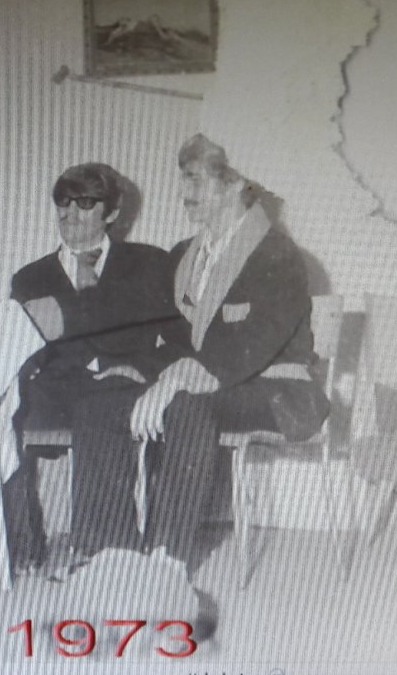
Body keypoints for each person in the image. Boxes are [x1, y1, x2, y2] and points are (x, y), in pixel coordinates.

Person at [62, 134, 328, 588]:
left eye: (196, 180)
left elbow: (257, 340)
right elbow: (172, 338)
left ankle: (168, 558)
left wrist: (177, 380)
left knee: (187, 405)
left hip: (277, 389)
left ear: (234, 185)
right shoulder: (184, 255)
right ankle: (108, 548)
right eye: (182, 179)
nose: (184, 193)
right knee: (99, 402)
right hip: (203, 384)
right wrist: (139, 370)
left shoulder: (278, 254)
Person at [6, 163, 174, 568]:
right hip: (59, 386)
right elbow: (21, 351)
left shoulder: (149, 263)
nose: (69, 213)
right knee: (1, 411)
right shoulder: (30, 278)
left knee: (101, 408)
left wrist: (143, 369)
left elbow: (177, 335)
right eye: (63, 202)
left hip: (124, 383)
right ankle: (21, 550)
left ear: (112, 212)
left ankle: (103, 551)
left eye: (84, 203)